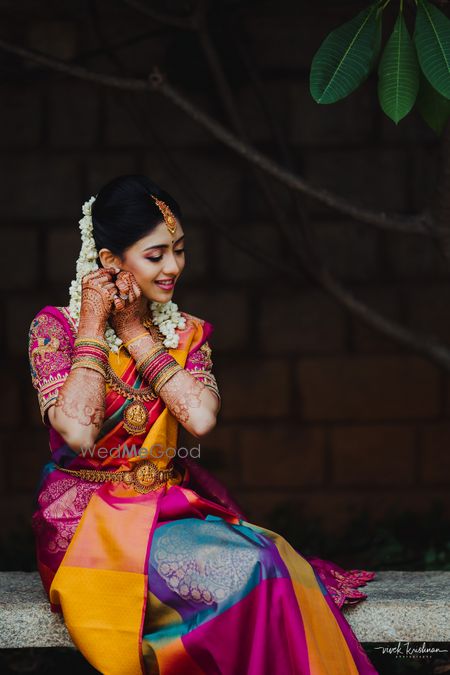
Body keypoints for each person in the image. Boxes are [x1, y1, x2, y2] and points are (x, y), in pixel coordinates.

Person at [28, 174, 378, 675]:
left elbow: (200, 417)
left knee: (271, 556)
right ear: (110, 263)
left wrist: (136, 334)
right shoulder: (55, 328)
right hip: (87, 524)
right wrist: (93, 328)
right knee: (253, 569)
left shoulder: (184, 333)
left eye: (180, 250)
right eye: (156, 255)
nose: (174, 267)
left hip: (166, 510)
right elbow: (79, 431)